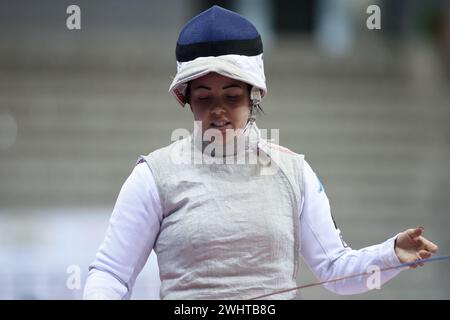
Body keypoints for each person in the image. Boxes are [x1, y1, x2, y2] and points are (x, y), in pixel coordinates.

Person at [83, 5, 438, 300]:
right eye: (204, 97)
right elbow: (111, 274)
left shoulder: (293, 171)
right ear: (187, 98)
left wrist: (391, 254)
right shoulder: (153, 176)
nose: (218, 110)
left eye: (232, 97)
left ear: (254, 95)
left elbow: (334, 269)